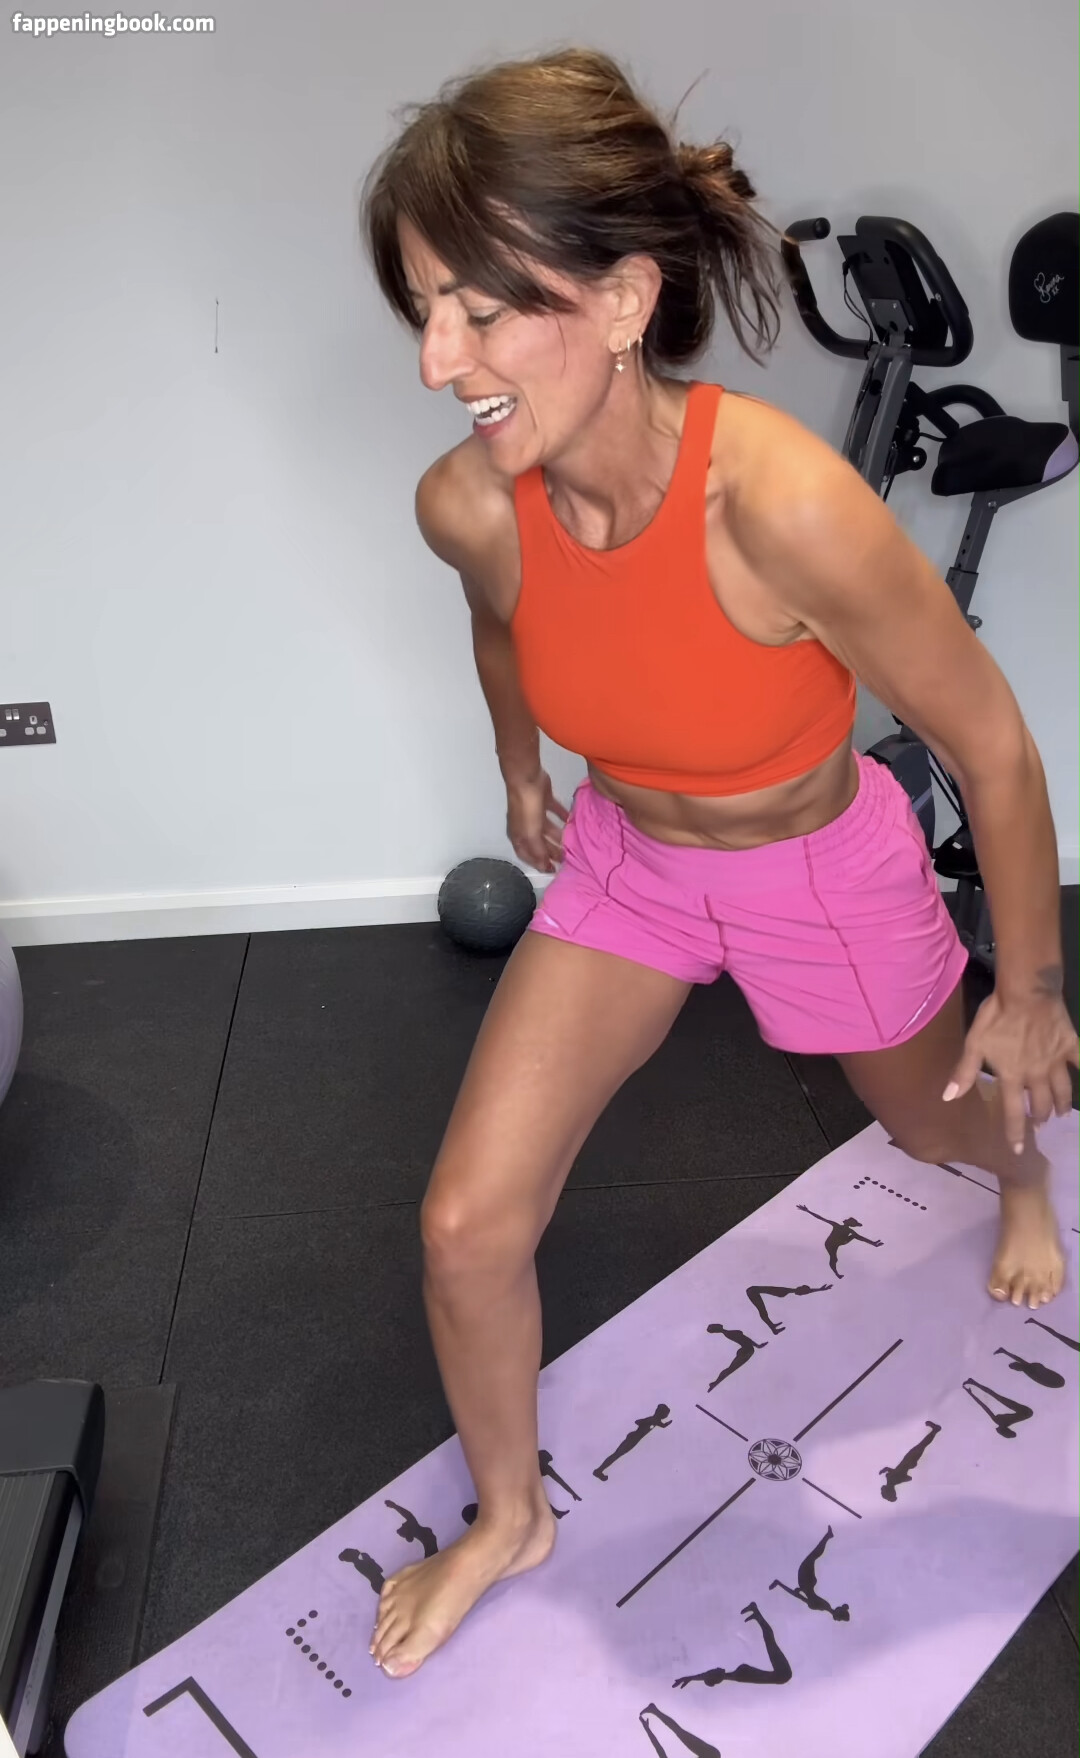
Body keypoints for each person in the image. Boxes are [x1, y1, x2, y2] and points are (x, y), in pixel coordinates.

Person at [360, 47, 1077, 1680]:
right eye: (424, 307)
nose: (437, 360)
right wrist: (522, 765)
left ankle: (1030, 1171)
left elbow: (996, 749)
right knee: (465, 1223)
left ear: (624, 300)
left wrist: (1031, 991)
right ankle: (510, 1515)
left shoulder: (783, 506)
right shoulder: (471, 503)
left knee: (941, 1121)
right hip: (630, 864)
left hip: (820, 868)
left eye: (483, 309)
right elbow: (501, 625)